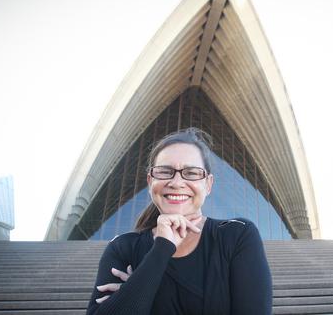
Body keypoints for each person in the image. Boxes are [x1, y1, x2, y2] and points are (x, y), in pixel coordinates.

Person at [86, 128, 272, 315]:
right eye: (165, 172)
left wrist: (134, 291)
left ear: (208, 184)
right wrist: (162, 248)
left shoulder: (237, 234)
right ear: (150, 182)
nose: (176, 182)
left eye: (191, 173)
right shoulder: (122, 248)